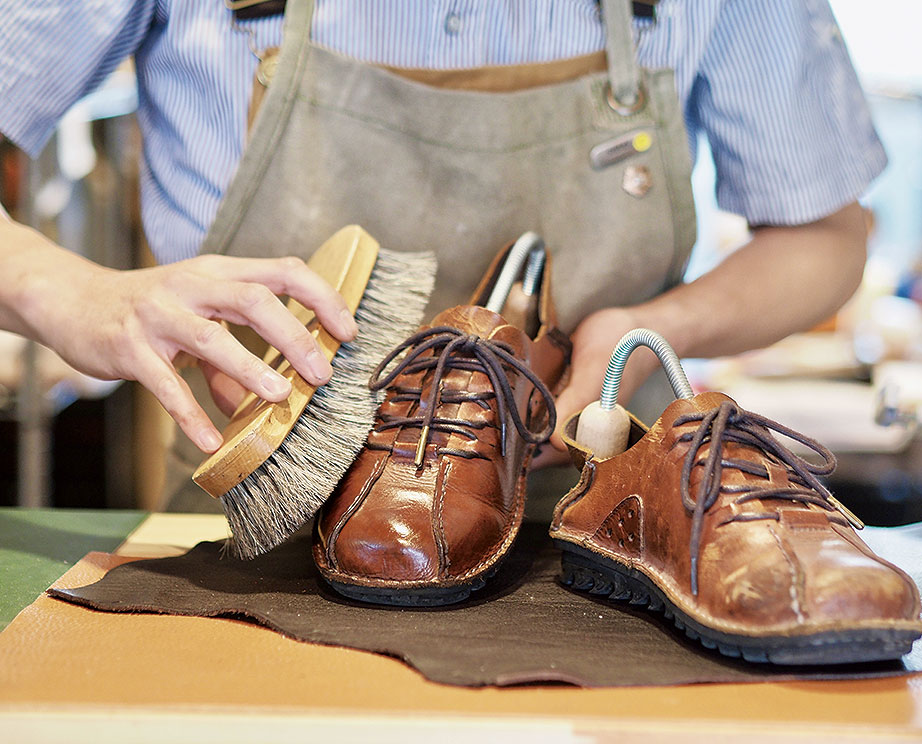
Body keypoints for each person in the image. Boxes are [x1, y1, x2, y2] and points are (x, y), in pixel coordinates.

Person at [0, 0, 876, 503]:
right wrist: (73, 293)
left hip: (593, 509)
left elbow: (825, 237)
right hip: (262, 509)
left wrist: (654, 324)